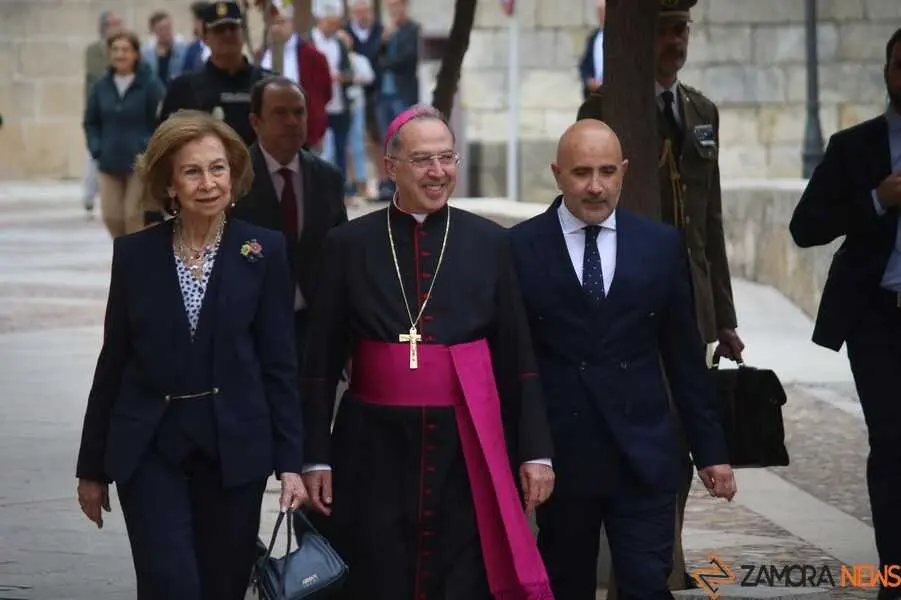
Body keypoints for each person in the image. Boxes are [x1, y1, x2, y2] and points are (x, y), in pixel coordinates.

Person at [300, 104, 555, 600]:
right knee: (375, 573)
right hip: (369, 445)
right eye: (421, 160)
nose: (438, 172)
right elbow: (318, 366)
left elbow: (518, 360)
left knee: (460, 576)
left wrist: (535, 452)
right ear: (390, 167)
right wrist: (314, 458)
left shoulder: (490, 243)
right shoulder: (347, 245)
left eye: (446, 157)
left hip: (465, 447)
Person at [75, 110, 307, 599]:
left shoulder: (262, 251)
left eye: (218, 168)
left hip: (233, 449)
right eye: (193, 171)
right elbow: (112, 361)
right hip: (150, 447)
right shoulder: (135, 255)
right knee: (170, 583)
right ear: (169, 184)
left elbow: (279, 362)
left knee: (223, 584)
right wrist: (92, 467)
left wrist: (291, 461)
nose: (208, 183)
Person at [510, 119, 736, 600]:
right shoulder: (519, 249)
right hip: (562, 460)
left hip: (643, 454)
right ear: (557, 173)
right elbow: (513, 363)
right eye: (581, 172)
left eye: (607, 171)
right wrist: (528, 451)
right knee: (565, 584)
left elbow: (683, 358)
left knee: (646, 584)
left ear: (625, 171)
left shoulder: (660, 246)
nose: (595, 186)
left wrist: (711, 452)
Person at [577, 0, 744, 591]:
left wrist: (723, 314)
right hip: (627, 296)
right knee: (639, 431)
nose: (675, 42)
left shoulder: (701, 111)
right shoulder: (603, 109)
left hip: (690, 300)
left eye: (682, 31)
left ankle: (662, 554)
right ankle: (636, 557)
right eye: (666, 30)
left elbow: (712, 219)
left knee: (681, 436)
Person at [789, 28, 901, 600]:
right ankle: (893, 573)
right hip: (878, 317)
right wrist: (878, 200)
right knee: (891, 441)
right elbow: (804, 227)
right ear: (887, 72)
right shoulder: (854, 147)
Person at [231, 74, 347, 410]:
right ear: (255, 121)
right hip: (252, 327)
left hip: (314, 328)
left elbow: (341, 252)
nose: (292, 122)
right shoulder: (234, 179)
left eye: (299, 112)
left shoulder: (326, 177)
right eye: (280, 113)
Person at [82, 30, 165, 238]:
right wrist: (96, 147)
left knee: (133, 217)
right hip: (108, 162)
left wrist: (147, 146)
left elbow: (161, 120)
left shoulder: (149, 85)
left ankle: (134, 265)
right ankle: (126, 255)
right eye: (116, 49)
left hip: (139, 164)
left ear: (136, 54)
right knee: (112, 217)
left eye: (126, 49)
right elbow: (90, 121)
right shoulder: (101, 87)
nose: (120, 54)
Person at [159, 1, 267, 147]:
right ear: (204, 38)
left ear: (243, 31)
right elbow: (166, 143)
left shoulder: (267, 84)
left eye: (233, 27)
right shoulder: (183, 88)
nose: (227, 34)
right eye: (219, 29)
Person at [578, 0, 605, 100]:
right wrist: (588, 81)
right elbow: (585, 64)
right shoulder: (593, 38)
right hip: (594, 95)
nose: (601, 14)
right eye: (599, 11)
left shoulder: (620, 40)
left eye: (603, 10)